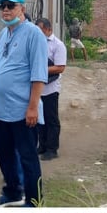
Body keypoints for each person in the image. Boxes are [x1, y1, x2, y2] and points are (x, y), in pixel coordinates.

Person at [0, 0, 48, 207]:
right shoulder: (4, 33)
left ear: (22, 8)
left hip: (23, 109)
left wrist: (32, 107)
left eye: (10, 6)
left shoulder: (34, 34)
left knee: (28, 158)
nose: (5, 10)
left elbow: (39, 73)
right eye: (2, 6)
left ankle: (35, 200)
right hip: (2, 109)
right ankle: (12, 192)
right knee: (5, 155)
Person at [34, 17, 67, 161]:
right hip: (37, 88)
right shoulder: (35, 43)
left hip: (50, 89)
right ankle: (42, 145)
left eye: (40, 30)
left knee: (51, 119)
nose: (37, 33)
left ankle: (52, 149)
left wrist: (40, 69)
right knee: (39, 119)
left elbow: (60, 67)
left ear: (49, 30)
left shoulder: (57, 45)